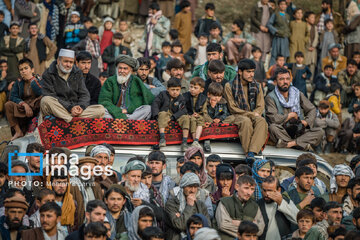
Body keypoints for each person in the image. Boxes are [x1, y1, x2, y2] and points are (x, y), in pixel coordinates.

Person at [40, 49, 105, 123]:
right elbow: (50, 95)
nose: (68, 65)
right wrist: (70, 108)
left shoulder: (77, 72)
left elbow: (84, 94)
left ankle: (68, 118)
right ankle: (72, 119)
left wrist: (81, 107)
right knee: (45, 100)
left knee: (101, 109)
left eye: (71, 62)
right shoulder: (48, 74)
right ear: (58, 61)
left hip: (75, 110)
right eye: (65, 61)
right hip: (60, 107)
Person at [265, 68, 323, 151]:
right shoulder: (270, 97)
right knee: (272, 128)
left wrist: (306, 122)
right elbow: (273, 118)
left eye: (287, 79)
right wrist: (289, 116)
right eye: (281, 79)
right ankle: (301, 144)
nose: (285, 82)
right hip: (282, 131)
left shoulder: (297, 93)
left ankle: (290, 144)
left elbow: (312, 109)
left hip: (299, 130)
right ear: (275, 81)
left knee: (320, 131)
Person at [224, 59, 268, 163]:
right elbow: (232, 107)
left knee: (262, 121)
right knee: (245, 121)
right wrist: (252, 114)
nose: (251, 74)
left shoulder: (257, 86)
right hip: (235, 116)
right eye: (248, 72)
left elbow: (260, 105)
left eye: (253, 71)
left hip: (252, 115)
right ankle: (248, 153)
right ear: (240, 72)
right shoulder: (229, 86)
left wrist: (255, 115)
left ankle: (252, 153)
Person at [99, 54, 154, 120]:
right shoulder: (110, 81)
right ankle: (128, 121)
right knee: (101, 110)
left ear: (130, 70)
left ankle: (124, 120)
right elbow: (104, 101)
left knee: (148, 108)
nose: (122, 71)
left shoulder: (136, 81)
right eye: (120, 68)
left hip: (131, 113)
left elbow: (146, 99)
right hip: (114, 112)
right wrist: (118, 111)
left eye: (125, 69)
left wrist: (128, 110)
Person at [165, 172, 211, 240]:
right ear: (183, 187)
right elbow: (180, 225)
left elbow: (207, 226)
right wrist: (189, 206)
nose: (192, 190)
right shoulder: (171, 203)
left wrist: (182, 218)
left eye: (195, 187)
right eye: (189, 187)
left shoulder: (201, 205)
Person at [216, 175, 264, 239]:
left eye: (252, 189)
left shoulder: (255, 206)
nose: (249, 193)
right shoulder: (225, 202)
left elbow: (260, 229)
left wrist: (239, 223)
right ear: (237, 187)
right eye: (246, 188)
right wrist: (250, 228)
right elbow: (223, 225)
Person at [5, 58, 43, 141]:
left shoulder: (39, 79)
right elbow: (13, 97)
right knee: (8, 105)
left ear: (32, 69)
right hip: (24, 109)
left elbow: (42, 92)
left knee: (44, 99)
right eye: (21, 69)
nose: (23, 71)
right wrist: (24, 104)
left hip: (36, 106)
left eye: (26, 68)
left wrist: (32, 79)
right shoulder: (18, 82)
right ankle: (18, 132)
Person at [152, 77, 190, 151]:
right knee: (162, 114)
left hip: (176, 116)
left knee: (186, 118)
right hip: (165, 114)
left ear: (180, 89)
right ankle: (162, 138)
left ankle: (184, 142)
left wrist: (173, 117)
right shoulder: (162, 94)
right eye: (173, 90)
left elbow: (183, 110)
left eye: (177, 90)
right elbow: (155, 104)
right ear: (167, 89)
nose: (175, 92)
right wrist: (156, 115)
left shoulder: (181, 98)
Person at [69, 157, 103, 227]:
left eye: (91, 170)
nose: (89, 174)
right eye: (85, 170)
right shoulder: (72, 186)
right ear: (78, 171)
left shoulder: (96, 186)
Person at [183, 77, 207, 149]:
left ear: (201, 90)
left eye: (195, 88)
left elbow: (204, 111)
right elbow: (182, 108)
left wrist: (199, 114)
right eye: (191, 87)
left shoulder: (203, 98)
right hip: (188, 115)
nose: (192, 89)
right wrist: (188, 115)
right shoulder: (185, 96)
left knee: (200, 120)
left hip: (198, 116)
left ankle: (196, 141)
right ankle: (195, 140)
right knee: (193, 120)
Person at [266, 0, 291, 66]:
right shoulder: (275, 14)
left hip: (285, 38)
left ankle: (283, 72)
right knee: (274, 55)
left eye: (284, 4)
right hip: (277, 38)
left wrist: (288, 33)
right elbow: (269, 24)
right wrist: (276, 31)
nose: (283, 6)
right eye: (281, 4)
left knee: (284, 55)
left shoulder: (287, 16)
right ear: (278, 6)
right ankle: (271, 71)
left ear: (286, 6)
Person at [304, 11, 319, 79]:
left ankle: (311, 82)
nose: (313, 19)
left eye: (314, 18)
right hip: (305, 50)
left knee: (312, 67)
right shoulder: (304, 26)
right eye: (311, 17)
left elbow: (316, 38)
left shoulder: (315, 27)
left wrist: (313, 46)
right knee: (305, 66)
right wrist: (308, 47)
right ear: (307, 19)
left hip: (313, 50)